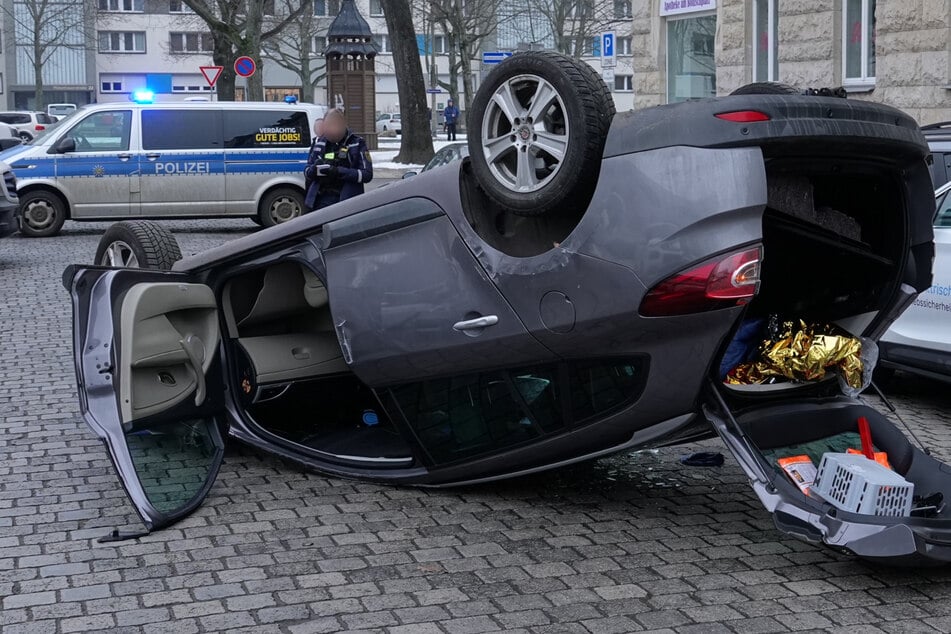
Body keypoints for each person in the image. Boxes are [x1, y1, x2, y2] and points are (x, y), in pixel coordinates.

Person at [304, 109, 373, 212]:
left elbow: (367, 175)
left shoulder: (357, 143)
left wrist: (339, 171)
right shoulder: (319, 143)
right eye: (328, 125)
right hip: (319, 202)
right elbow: (306, 171)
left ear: (344, 125)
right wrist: (314, 170)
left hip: (347, 203)